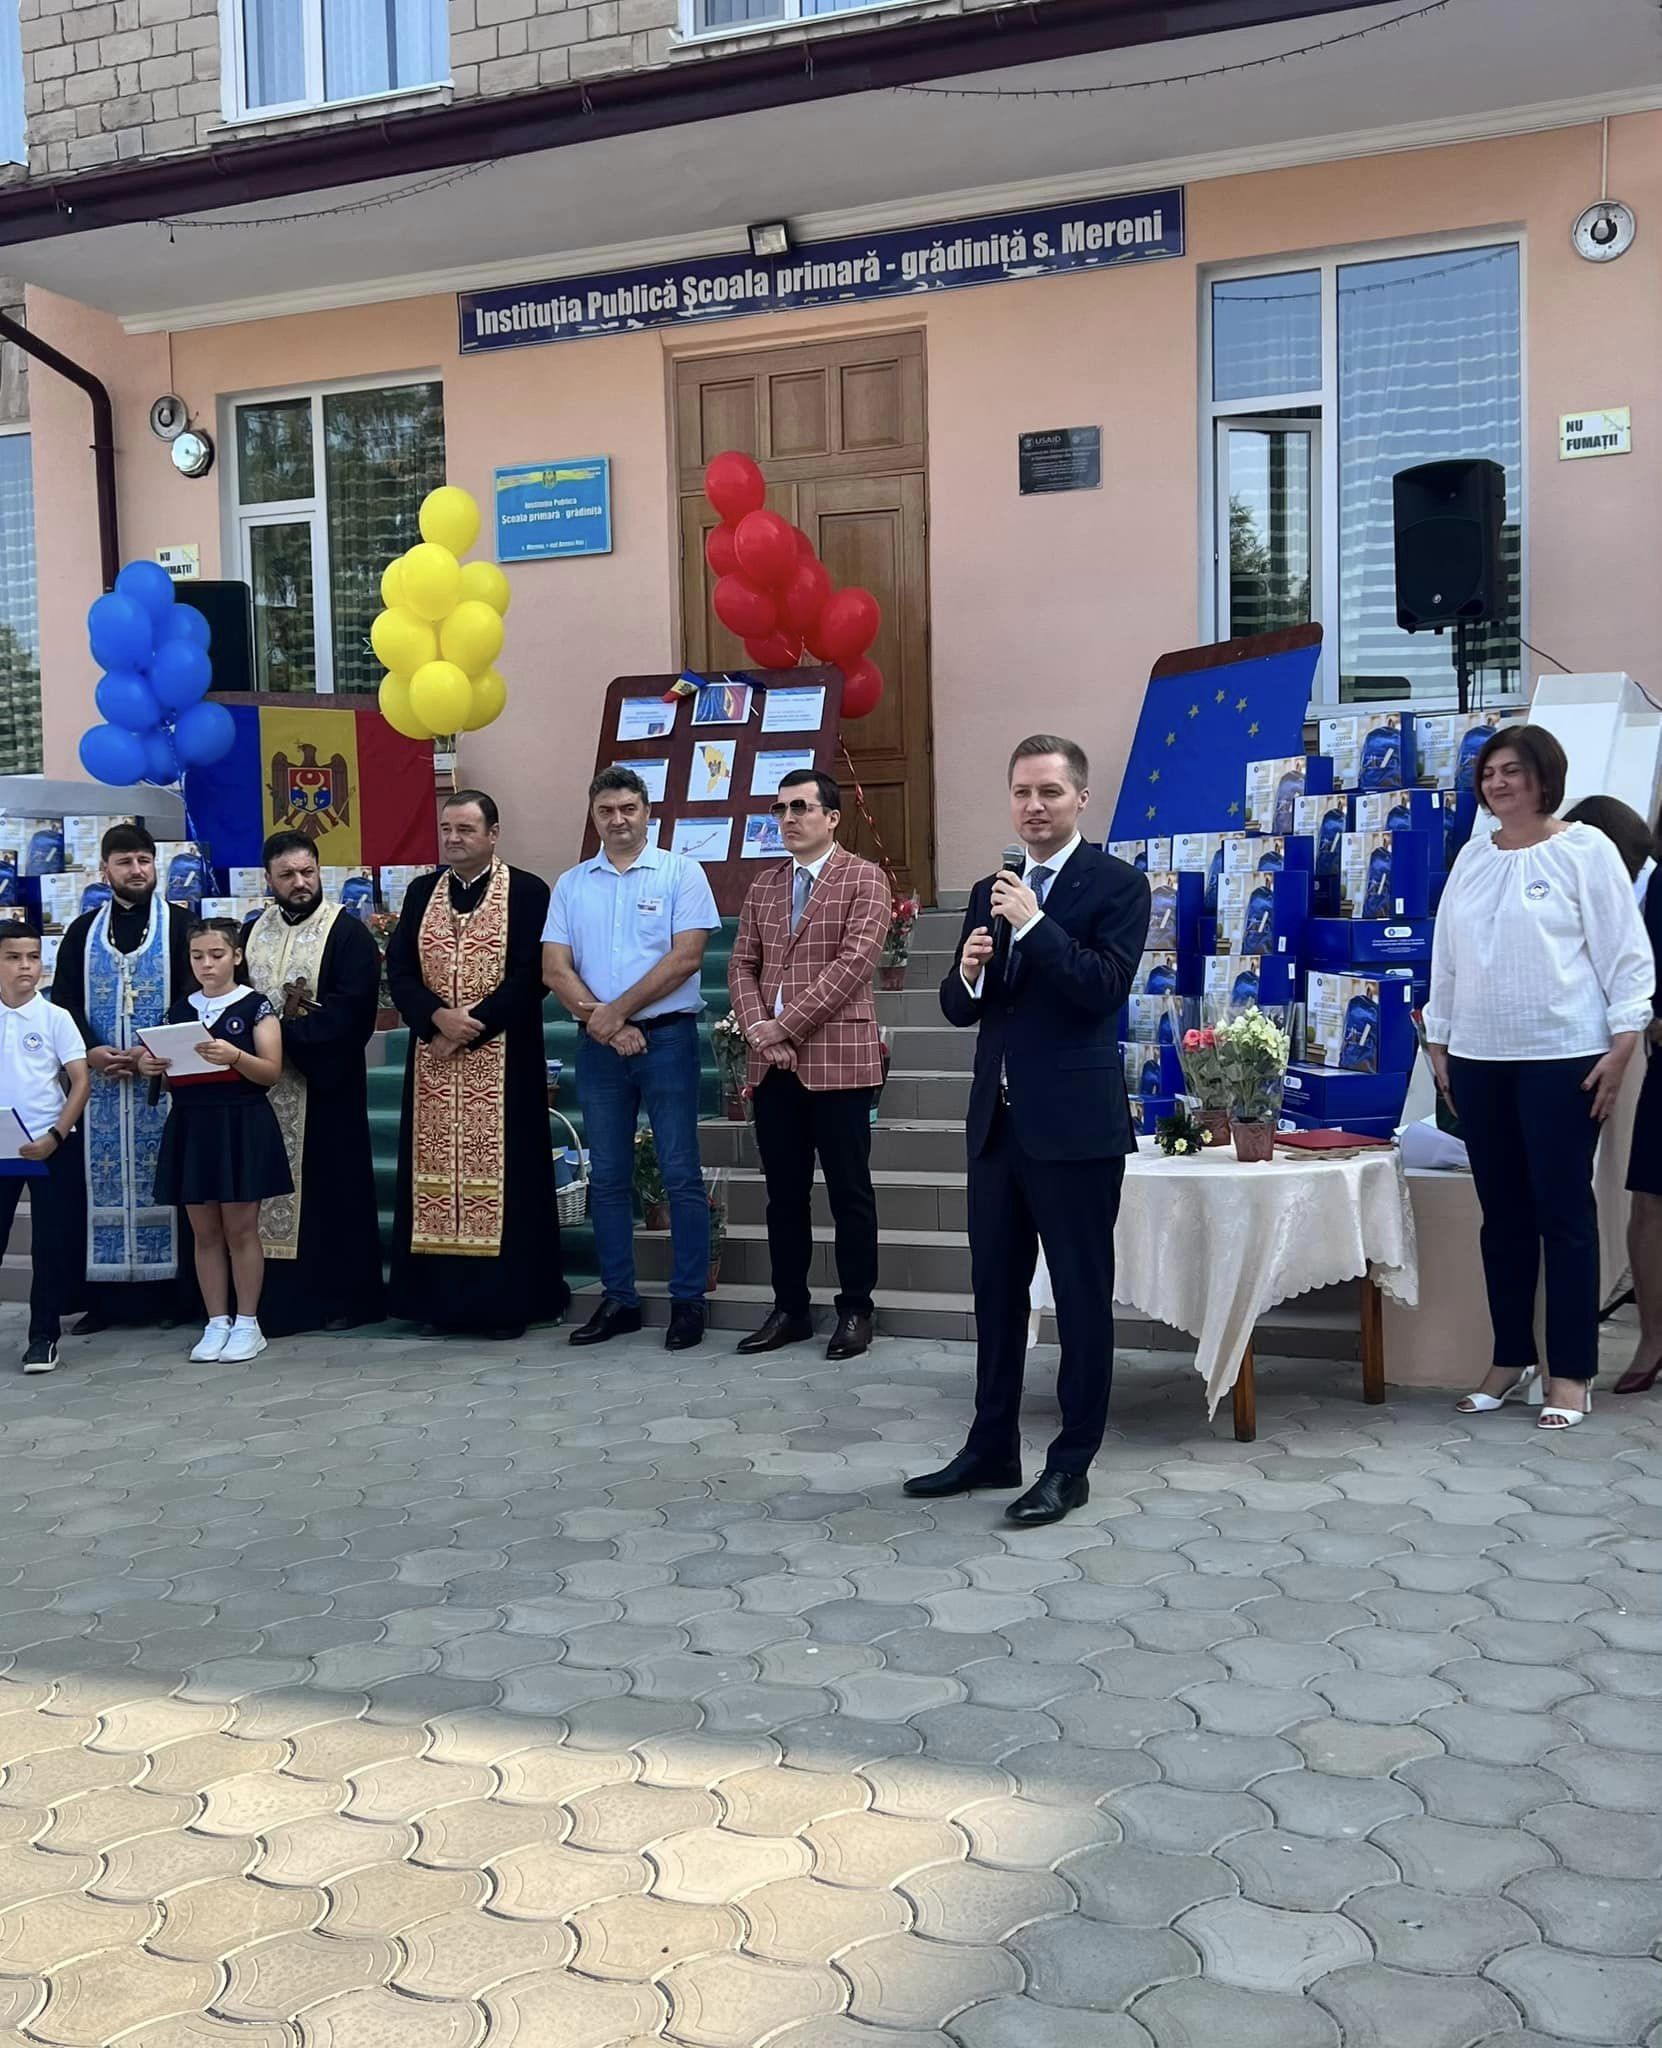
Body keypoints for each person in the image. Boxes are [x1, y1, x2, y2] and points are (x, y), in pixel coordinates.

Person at [907, 735, 1150, 1526]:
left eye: (1049, 792)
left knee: (1079, 1299)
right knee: (995, 1291)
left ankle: (1070, 1465)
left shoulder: (1118, 884)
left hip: (1075, 1129)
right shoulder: (991, 889)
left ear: (1081, 798)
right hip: (998, 1126)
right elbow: (960, 1008)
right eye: (1022, 792)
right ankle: (990, 1447)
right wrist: (970, 969)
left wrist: (1037, 923)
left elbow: (1101, 990)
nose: (1034, 806)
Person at [1425, 725, 1652, 1430]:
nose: (1498, 783)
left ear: (1544, 777)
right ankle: (1510, 1358)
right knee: (1503, 1217)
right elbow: (1446, 957)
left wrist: (1622, 1044)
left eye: (1513, 771)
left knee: (1564, 1214)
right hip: (1479, 1059)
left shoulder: (1586, 850)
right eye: (1489, 772)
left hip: (1564, 1058)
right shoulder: (1472, 857)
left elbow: (1625, 954)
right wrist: (1440, 1039)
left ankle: (1572, 1372)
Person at [544, 768, 720, 1352]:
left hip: (667, 1040)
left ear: (647, 812)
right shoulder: (572, 884)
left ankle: (688, 1301)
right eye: (606, 811)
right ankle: (619, 1298)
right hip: (599, 1047)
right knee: (609, 1176)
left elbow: (686, 958)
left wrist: (614, 1013)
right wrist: (609, 1025)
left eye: (627, 808)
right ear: (593, 816)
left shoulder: (681, 873)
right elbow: (555, 968)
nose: (617, 820)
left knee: (679, 1172)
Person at [387, 790, 568, 1339]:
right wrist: (435, 1019)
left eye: (466, 829)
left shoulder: (528, 891)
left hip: (505, 1058)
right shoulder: (422, 892)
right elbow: (400, 970)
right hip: (434, 1059)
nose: (454, 838)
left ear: (493, 834)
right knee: (434, 1180)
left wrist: (474, 1024)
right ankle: (437, 1303)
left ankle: (506, 1304)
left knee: (508, 1178)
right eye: (447, 829)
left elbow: (532, 974)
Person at [729, 768, 888, 1360]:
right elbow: (741, 965)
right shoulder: (765, 885)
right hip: (774, 1067)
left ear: (832, 817)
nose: (789, 818)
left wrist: (783, 1026)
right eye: (781, 809)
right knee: (784, 1196)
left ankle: (856, 1309)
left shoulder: (864, 878)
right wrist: (758, 1030)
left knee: (850, 1193)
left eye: (801, 807)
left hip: (839, 1062)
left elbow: (854, 965)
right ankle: (790, 1308)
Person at [51, 823, 196, 1330]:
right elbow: (64, 1002)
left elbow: (194, 995)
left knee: (167, 1181)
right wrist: (89, 1051)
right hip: (100, 1090)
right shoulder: (82, 932)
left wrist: (151, 1050)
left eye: (144, 860)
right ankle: (104, 1301)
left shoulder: (181, 927)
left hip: (163, 1082)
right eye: (125, 862)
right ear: (105, 870)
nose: (137, 870)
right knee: (98, 1185)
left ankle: (172, 1298)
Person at [241, 831, 386, 1337]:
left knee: (333, 1194)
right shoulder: (250, 933)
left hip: (325, 1088)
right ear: (269, 879)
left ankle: (343, 1300)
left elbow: (353, 1011)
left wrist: (282, 1038)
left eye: (307, 872)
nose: (300, 883)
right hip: (262, 1091)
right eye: (287, 875)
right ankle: (274, 1303)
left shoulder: (347, 933)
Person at [139, 919, 291, 1364]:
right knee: (204, 1231)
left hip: (239, 1121)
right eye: (197, 956)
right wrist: (153, 1069)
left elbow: (271, 1071)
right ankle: (216, 1321)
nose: (206, 964)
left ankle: (248, 1322)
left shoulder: (256, 1006)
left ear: (236, 957)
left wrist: (235, 1055)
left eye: (217, 955)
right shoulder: (179, 1011)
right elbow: (175, 1076)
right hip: (193, 1123)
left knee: (239, 1229)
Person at [0, 923, 90, 1372]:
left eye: (33, 957)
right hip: (2, 1146)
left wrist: (55, 1135)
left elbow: (80, 1081)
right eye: (13, 957)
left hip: (51, 1145)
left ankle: (43, 1337)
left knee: (51, 1244)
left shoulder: (55, 1017)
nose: (26, 967)